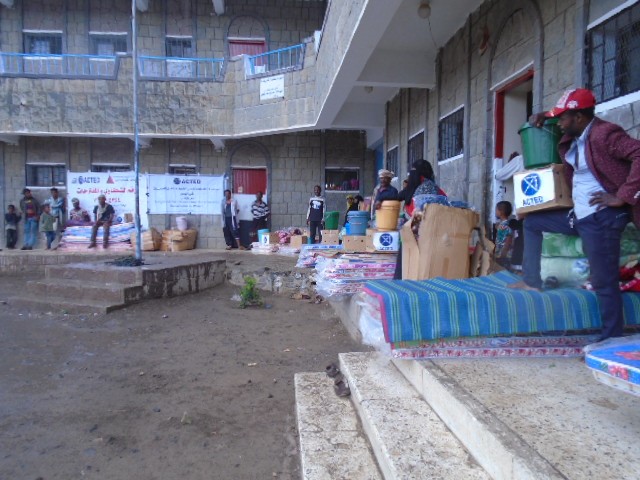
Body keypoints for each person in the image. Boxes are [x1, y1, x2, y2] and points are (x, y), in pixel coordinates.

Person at [510, 88, 640, 342]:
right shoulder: (576, 134)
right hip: (580, 214)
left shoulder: (605, 134)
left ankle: (610, 338)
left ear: (579, 117)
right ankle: (532, 280)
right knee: (533, 222)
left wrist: (623, 196)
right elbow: (555, 120)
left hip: (602, 217)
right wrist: (542, 115)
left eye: (563, 117)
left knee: (604, 280)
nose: (558, 122)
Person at [394, 159, 445, 279]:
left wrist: (411, 233)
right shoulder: (422, 187)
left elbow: (421, 214)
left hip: (420, 234)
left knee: (411, 269)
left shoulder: (423, 188)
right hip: (421, 233)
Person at [494, 201, 514, 269]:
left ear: (501, 212)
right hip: (500, 255)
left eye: (496, 210)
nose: (495, 212)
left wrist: (503, 254)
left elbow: (508, 239)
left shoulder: (505, 225)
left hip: (504, 256)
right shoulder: (502, 224)